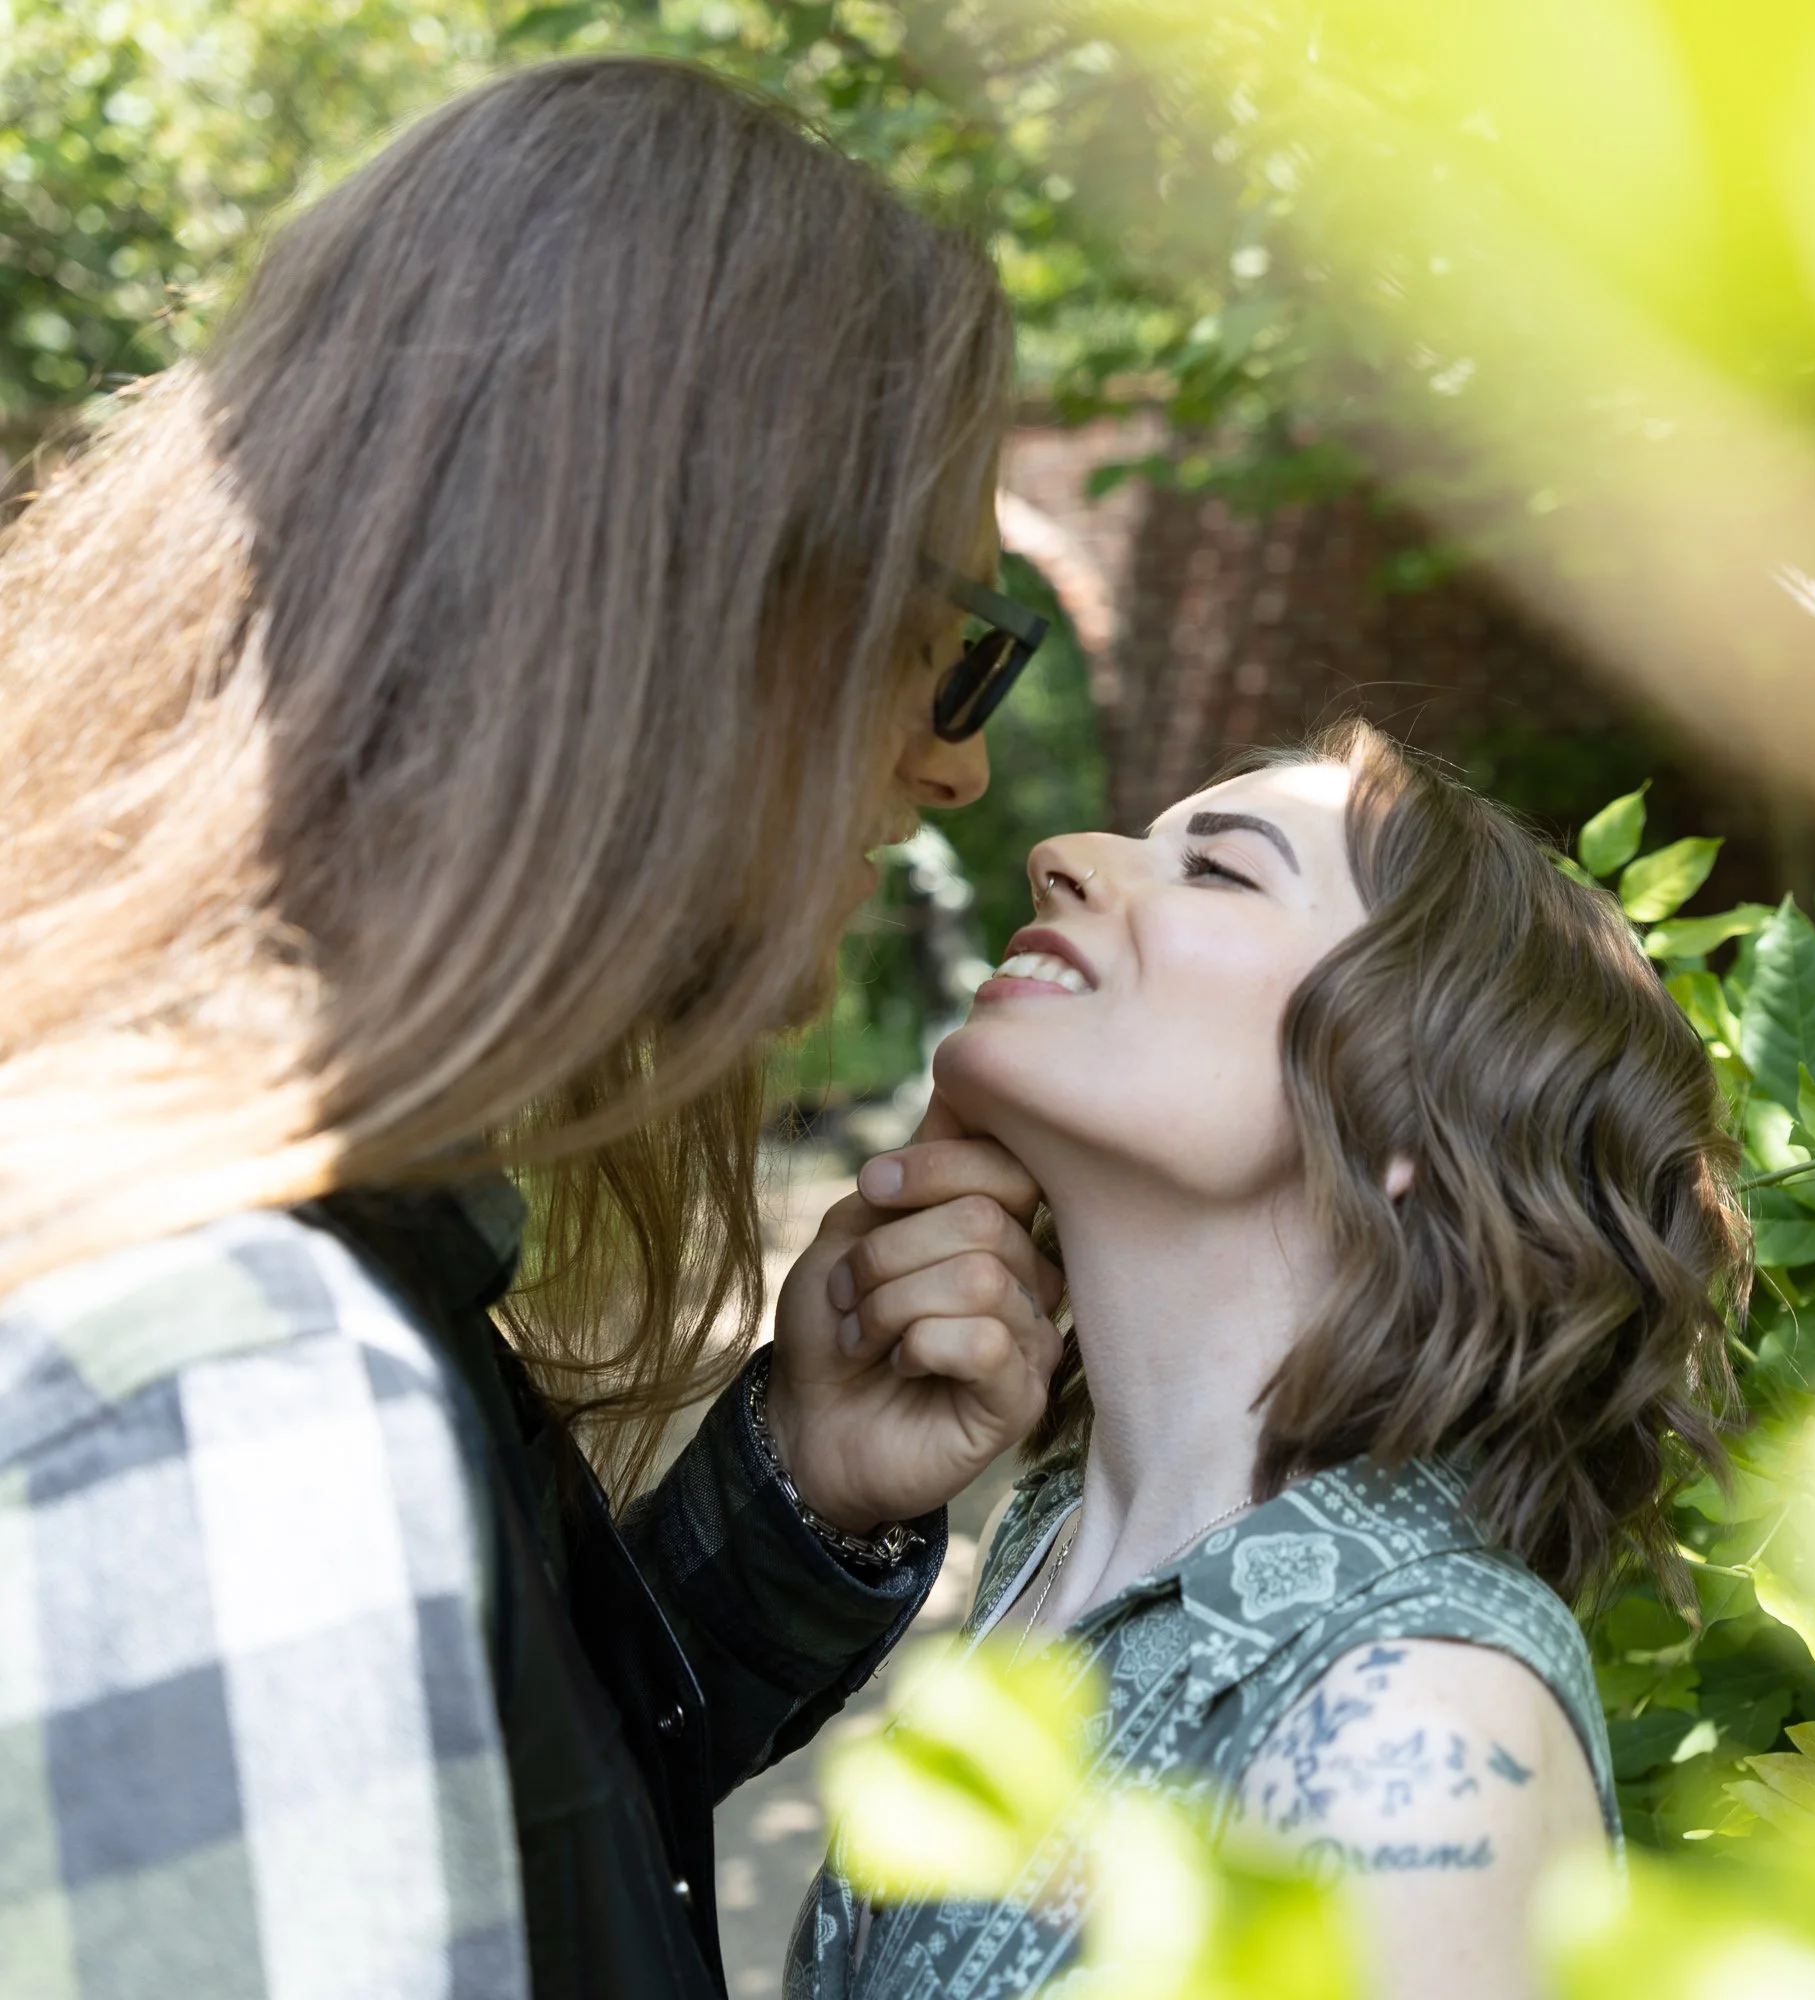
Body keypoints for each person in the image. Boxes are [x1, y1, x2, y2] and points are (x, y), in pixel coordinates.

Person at [0, 59, 1071, 1999]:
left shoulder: (265, 1264)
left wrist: (792, 1502)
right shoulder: (234, 1384)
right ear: (691, 616)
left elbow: (474, 1833)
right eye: (955, 647)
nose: (961, 767)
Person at [797, 720, 1753, 2000]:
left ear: (1403, 1100)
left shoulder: (1414, 1716)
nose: (1060, 854)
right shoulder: (1047, 1540)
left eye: (1217, 869)